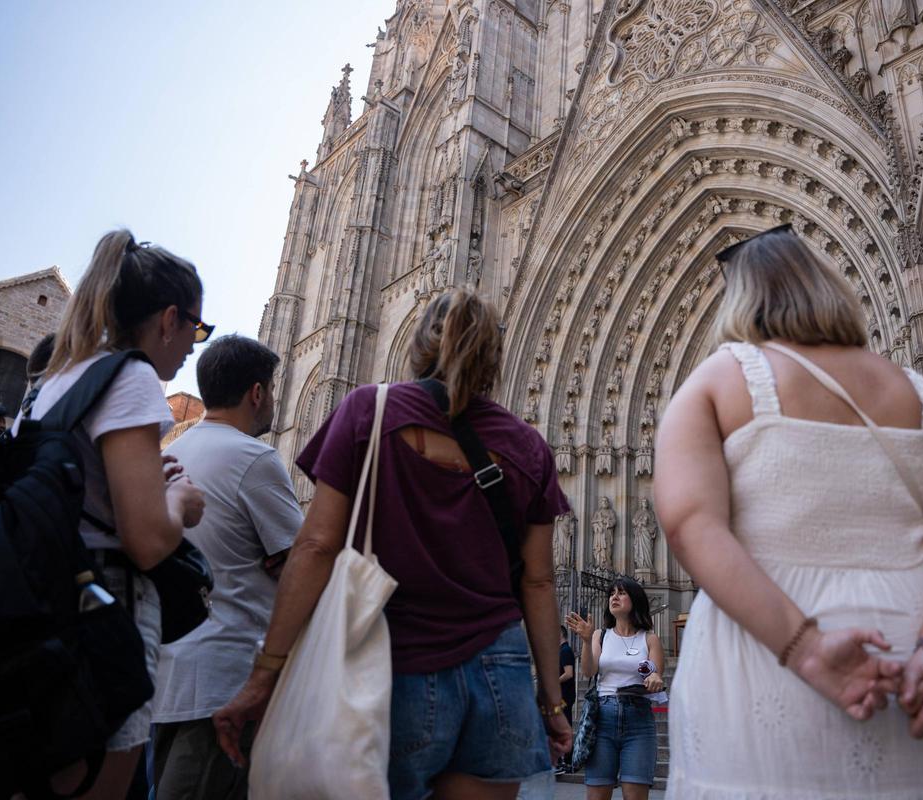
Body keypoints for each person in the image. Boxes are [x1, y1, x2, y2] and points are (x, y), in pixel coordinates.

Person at [653, 226, 923, 797]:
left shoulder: (721, 379)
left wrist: (805, 649)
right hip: (918, 660)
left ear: (739, 303)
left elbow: (689, 524)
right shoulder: (916, 393)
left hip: (767, 658)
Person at [214, 288, 573, 800]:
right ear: (496, 357)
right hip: (502, 671)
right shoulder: (530, 447)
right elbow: (538, 581)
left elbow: (316, 547)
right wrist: (553, 703)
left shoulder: (370, 410)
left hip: (396, 663)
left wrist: (266, 671)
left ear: (420, 345)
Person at [13, 229, 208, 798]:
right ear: (169, 319)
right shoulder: (131, 376)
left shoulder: (57, 377)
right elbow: (147, 540)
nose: (195, 346)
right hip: (101, 616)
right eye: (196, 327)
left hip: (45, 606)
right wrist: (180, 501)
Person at [151, 335, 302, 800]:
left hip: (168, 676)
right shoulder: (252, 458)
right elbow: (299, 564)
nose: (275, 401)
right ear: (257, 392)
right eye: (274, 389)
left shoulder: (173, 452)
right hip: (226, 681)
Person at [564, 577, 664, 800]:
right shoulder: (602, 635)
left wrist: (654, 676)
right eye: (611, 594)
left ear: (635, 600)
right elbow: (588, 671)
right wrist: (588, 641)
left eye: (621, 593)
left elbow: (654, 673)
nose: (614, 597)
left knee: (635, 795)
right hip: (603, 718)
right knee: (597, 795)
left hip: (638, 719)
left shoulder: (649, 639)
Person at [556, 625, 576, 774]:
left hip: (565, 697)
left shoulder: (565, 651)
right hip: (562, 696)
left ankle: (568, 761)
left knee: (564, 727)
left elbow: (568, 674)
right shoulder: (562, 651)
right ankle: (564, 760)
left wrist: (552, 681)